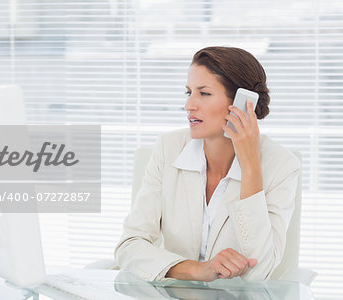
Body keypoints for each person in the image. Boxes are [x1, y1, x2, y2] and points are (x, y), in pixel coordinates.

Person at [114, 46, 301, 282]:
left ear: (244, 103)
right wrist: (196, 269)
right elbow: (129, 245)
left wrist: (250, 165)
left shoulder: (282, 166)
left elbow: (259, 270)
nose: (189, 105)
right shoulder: (168, 148)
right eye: (188, 92)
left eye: (204, 93)